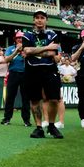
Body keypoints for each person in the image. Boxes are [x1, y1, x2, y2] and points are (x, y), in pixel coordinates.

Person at [22, 9, 63, 139]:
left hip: (50, 70)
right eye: (37, 17)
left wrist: (34, 51)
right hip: (32, 70)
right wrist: (46, 48)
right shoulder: (27, 35)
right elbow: (26, 51)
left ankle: (51, 126)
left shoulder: (53, 35)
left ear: (46, 20)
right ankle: (39, 127)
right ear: (34, 20)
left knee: (55, 99)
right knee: (35, 100)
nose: (39, 20)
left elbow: (54, 53)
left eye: (42, 17)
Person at [0, 32, 31, 126]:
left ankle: (26, 120)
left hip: (25, 74)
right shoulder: (10, 48)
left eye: (21, 38)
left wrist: (25, 54)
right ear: (15, 39)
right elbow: (6, 60)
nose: (20, 40)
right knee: (10, 97)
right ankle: (7, 118)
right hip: (13, 74)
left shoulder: (28, 49)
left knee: (25, 98)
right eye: (18, 38)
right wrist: (16, 51)